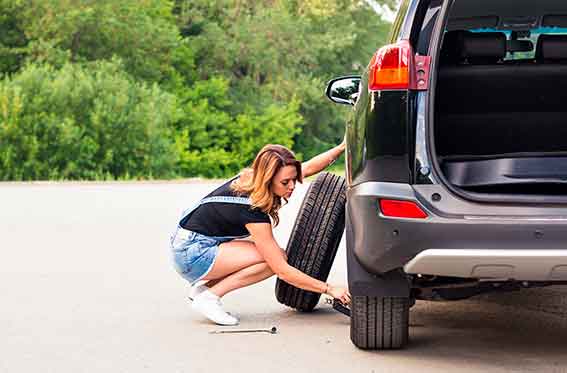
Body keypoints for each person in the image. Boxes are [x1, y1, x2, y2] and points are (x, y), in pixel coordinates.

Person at [169, 141, 351, 325]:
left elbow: (309, 167)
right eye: (285, 183)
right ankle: (209, 298)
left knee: (271, 255)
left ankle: (203, 290)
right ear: (268, 179)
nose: (292, 187)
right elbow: (282, 271)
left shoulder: (254, 179)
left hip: (190, 242)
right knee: (274, 260)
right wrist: (329, 289)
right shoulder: (251, 209)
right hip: (191, 254)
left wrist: (342, 147)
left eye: (293, 180)